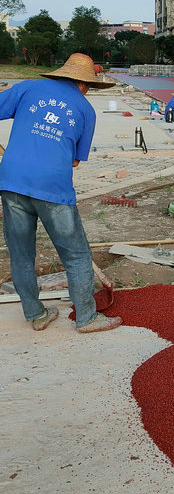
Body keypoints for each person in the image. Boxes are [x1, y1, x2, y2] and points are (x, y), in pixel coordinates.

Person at [0, 54, 123, 334]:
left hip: (11, 182)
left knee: (21, 255)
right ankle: (87, 318)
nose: (89, 90)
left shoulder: (28, 88)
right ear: (82, 83)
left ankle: (36, 314)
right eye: (90, 85)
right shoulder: (85, 110)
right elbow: (75, 161)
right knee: (76, 255)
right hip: (53, 189)